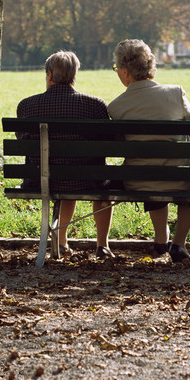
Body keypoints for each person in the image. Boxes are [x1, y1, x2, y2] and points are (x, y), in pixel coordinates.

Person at [16, 51, 116, 259]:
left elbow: (22, 140)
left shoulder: (27, 106)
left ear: (50, 75)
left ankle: (61, 243)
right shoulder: (95, 105)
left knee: (63, 175)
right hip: (86, 181)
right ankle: (102, 245)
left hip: (41, 180)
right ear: (74, 75)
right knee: (101, 180)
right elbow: (106, 143)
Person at [107, 39, 190, 264]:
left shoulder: (116, 107)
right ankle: (178, 243)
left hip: (138, 181)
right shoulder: (176, 93)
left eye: (116, 68)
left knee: (149, 169)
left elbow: (118, 145)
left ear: (126, 72)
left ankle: (161, 240)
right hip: (181, 180)